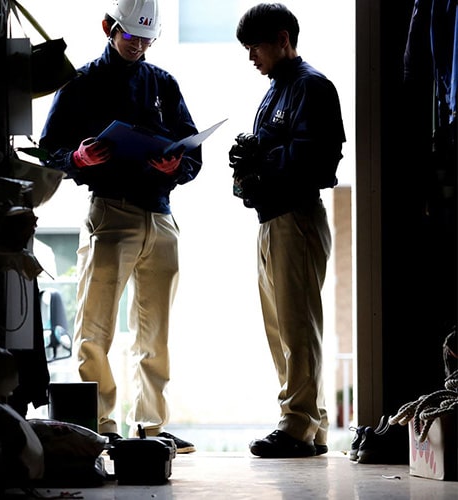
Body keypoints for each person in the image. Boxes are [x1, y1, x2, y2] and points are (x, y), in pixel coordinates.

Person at [39, 0, 201, 453]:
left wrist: (176, 165)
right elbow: (50, 146)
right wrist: (77, 159)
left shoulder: (162, 83)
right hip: (110, 212)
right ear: (109, 27)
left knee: (155, 332)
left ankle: (151, 428)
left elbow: (192, 152)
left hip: (161, 216)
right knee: (96, 329)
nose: (141, 46)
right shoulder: (81, 83)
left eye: (149, 39)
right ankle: (101, 426)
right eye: (133, 37)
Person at [229, 3, 346, 458]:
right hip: (272, 219)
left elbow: (320, 162)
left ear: (282, 39)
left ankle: (296, 425)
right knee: (281, 328)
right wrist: (250, 160)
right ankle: (308, 427)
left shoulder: (312, 87)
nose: (250, 56)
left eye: (254, 46)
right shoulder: (277, 90)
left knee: (298, 327)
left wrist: (262, 161)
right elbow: (272, 155)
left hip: (296, 217)